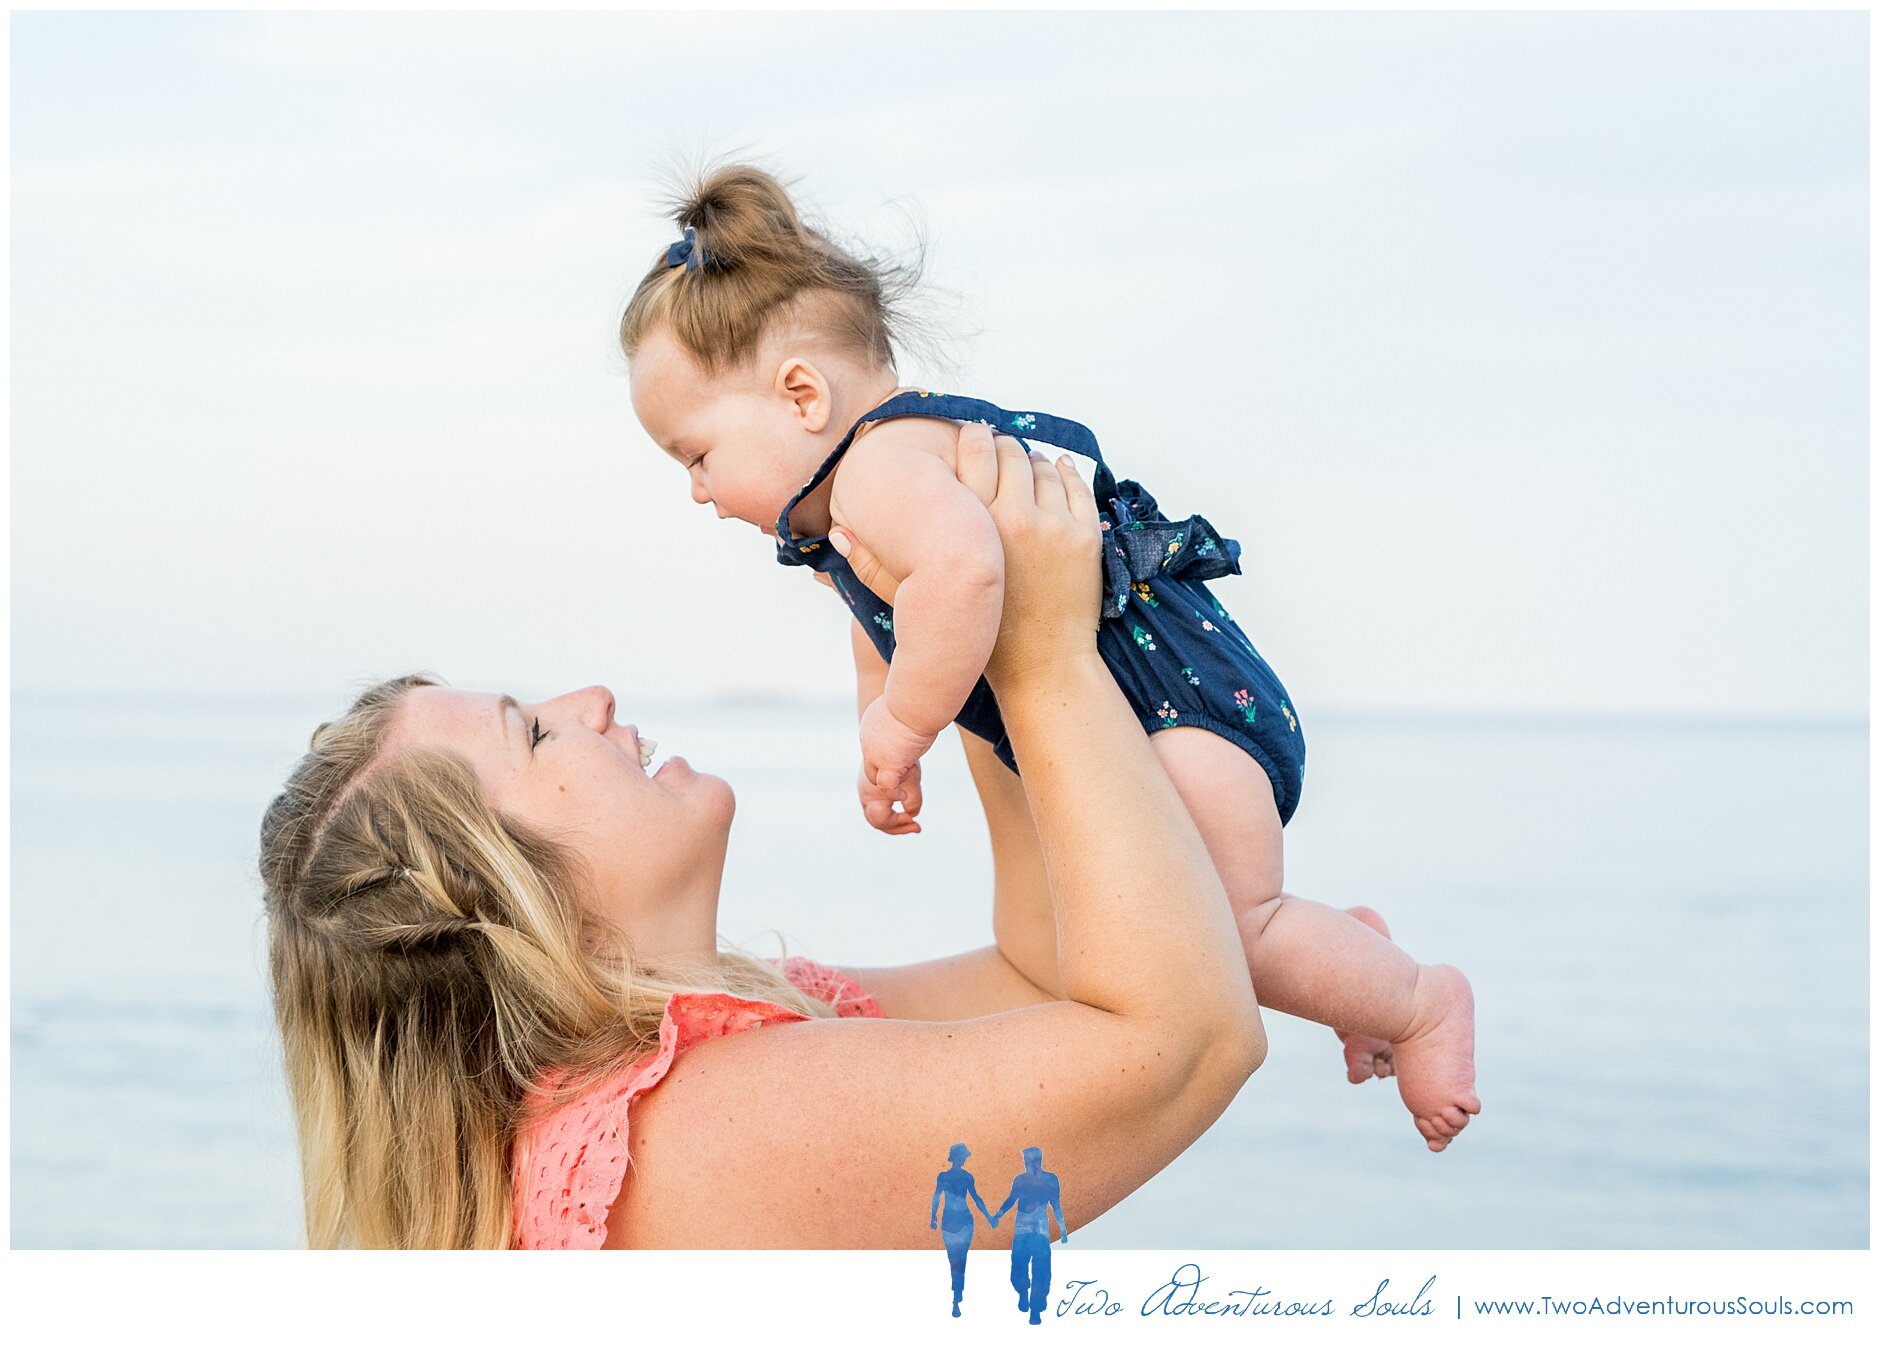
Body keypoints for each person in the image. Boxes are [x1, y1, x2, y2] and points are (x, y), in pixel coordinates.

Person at [623, 163, 1479, 1152]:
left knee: (1223, 935)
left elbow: (963, 575)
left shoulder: (879, 469)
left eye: (695, 454)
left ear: (802, 394)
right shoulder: (850, 505)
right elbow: (880, 621)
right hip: (1143, 702)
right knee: (1186, 926)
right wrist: (879, 718)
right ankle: (1346, 952)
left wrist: (905, 726)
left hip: (1172, 696)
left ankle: (1417, 1000)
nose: (694, 490)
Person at [260, 428, 1267, 1248]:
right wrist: (1044, 656)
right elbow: (1179, 1046)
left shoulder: (708, 1057)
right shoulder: (707, 1133)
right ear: (501, 903)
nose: (590, 697)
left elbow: (1040, 976)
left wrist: (963, 646)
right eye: (529, 731)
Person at [992, 1147, 1066, 1325]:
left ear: (1035, 1161)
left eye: (1027, 1160)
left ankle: (1035, 1309)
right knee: (1018, 1266)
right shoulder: (1020, 1180)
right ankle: (1023, 1293)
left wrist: (1063, 1228)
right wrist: (999, 1214)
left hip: (1040, 1231)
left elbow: (1056, 1205)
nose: (1025, 1163)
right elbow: (1011, 1199)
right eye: (1024, 1160)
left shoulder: (1050, 1180)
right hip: (1023, 1230)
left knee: (1041, 1270)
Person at [930, 1143, 992, 1316]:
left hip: (964, 1220)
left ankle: (957, 1296)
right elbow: (936, 1197)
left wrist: (989, 1217)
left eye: (965, 1156)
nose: (964, 1159)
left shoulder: (967, 1177)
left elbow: (976, 1198)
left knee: (960, 1259)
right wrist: (933, 1216)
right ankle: (957, 1292)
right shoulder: (943, 1177)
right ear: (955, 1156)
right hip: (950, 1221)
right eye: (962, 1156)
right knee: (953, 1260)